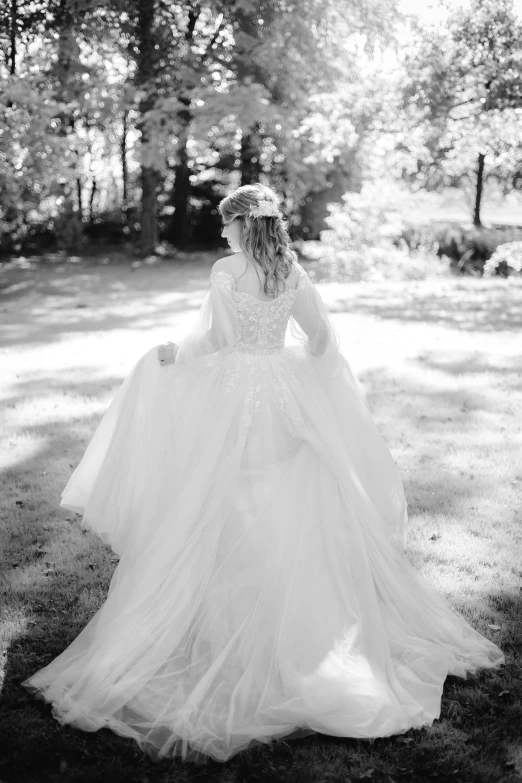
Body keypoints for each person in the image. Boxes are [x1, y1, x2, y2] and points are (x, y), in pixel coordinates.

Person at [22, 183, 504, 764]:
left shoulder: (228, 270)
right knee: (292, 498)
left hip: (236, 396)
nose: (221, 232)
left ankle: (230, 614)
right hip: (284, 391)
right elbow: (324, 340)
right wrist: (298, 368)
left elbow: (218, 339)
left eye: (225, 224)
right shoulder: (292, 271)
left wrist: (174, 354)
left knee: (226, 497)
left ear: (239, 226)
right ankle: (306, 622)